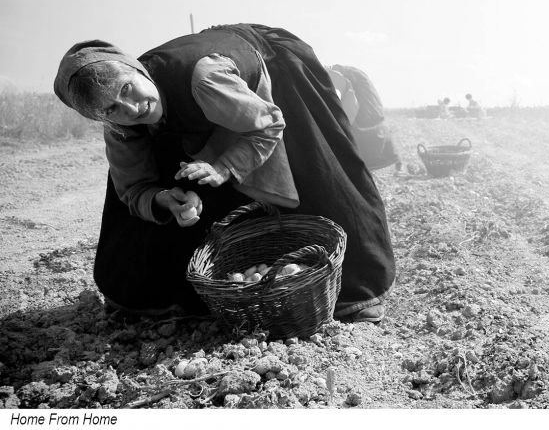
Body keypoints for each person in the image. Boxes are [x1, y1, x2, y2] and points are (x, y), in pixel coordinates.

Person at [53, 23, 395, 323]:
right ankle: (162, 296)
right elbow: (132, 185)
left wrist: (224, 167)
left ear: (136, 70)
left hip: (270, 72)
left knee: (317, 167)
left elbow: (268, 124)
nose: (131, 108)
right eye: (113, 108)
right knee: (168, 184)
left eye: (126, 90)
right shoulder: (122, 124)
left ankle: (354, 292)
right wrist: (163, 201)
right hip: (190, 108)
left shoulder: (206, 78)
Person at [326, 64, 401, 172]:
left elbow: (336, 101)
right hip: (381, 133)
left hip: (362, 136)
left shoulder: (335, 75)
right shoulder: (357, 73)